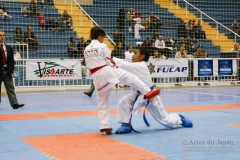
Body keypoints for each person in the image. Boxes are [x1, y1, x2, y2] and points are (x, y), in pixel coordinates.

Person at [83, 26, 160, 135]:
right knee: (131, 78)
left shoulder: (86, 49)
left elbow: (87, 63)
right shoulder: (102, 46)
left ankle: (105, 127)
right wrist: (114, 65)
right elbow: (109, 61)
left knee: (102, 102)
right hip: (106, 71)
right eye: (103, 38)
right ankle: (148, 92)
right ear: (100, 37)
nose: (103, 40)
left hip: (96, 77)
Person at [112, 48, 192, 134]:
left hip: (151, 95)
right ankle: (126, 124)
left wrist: (111, 59)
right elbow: (123, 67)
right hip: (138, 94)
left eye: (135, 53)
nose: (133, 55)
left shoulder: (140, 65)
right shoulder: (133, 66)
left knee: (166, 121)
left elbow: (124, 64)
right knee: (124, 101)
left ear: (142, 56)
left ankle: (179, 119)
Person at [0, 30, 24, 109]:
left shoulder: (9, 48)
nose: (2, 36)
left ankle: (14, 104)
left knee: (11, 88)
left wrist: (12, 71)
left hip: (7, 71)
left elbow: (11, 61)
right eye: (0, 35)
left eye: (3, 35)